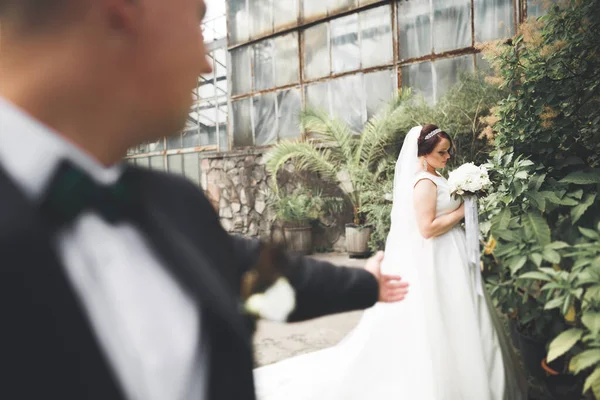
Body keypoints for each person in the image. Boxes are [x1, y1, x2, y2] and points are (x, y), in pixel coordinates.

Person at [0, 1, 409, 399]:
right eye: (198, 19)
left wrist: (366, 282)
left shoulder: (173, 202)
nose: (207, 64)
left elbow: (261, 278)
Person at [253, 125, 528, 400]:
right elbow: (427, 228)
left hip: (450, 255)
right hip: (436, 259)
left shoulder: (438, 176)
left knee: (461, 314)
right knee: (437, 317)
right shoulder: (423, 183)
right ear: (423, 154)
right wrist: (463, 211)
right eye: (442, 153)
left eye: (448, 152)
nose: (447, 157)